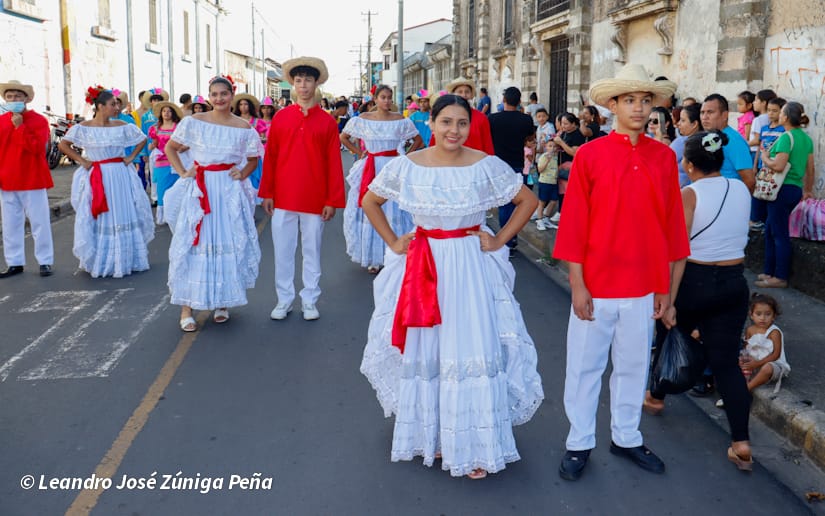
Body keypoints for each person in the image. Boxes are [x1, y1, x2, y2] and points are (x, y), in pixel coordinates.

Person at [359, 94, 543, 480]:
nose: (453, 131)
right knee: (432, 345)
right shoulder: (409, 166)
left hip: (469, 265)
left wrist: (498, 240)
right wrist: (394, 242)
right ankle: (436, 435)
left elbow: (526, 200)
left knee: (469, 343)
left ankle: (475, 443)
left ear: (469, 126)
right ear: (432, 122)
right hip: (424, 264)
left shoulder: (486, 165)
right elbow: (370, 201)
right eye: (446, 122)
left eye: (461, 123)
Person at [553, 64, 689, 481]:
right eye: (629, 100)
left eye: (645, 100)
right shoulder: (591, 155)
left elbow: (671, 227)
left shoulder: (664, 157)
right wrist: (577, 284)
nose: (638, 108)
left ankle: (626, 436)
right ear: (612, 105)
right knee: (585, 365)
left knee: (632, 365)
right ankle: (579, 441)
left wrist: (667, 289)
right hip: (596, 281)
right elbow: (573, 222)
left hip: (644, 284)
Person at [643, 130, 753, 471]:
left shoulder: (687, 194)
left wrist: (669, 300)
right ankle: (741, 442)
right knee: (727, 363)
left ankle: (656, 397)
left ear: (689, 164)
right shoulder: (740, 189)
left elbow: (676, 253)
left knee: (669, 334)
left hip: (695, 279)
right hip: (734, 282)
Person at [163, 75, 262, 332]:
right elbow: (171, 148)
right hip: (200, 190)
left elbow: (254, 157)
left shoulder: (243, 127)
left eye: (224, 94)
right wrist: (184, 173)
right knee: (194, 243)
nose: (219, 99)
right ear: (209, 97)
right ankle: (187, 308)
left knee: (225, 242)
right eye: (214, 94)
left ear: (232, 95)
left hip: (228, 192)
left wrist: (243, 172)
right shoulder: (193, 122)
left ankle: (222, 302)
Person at [259, 56, 346, 321]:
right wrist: (268, 192)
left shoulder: (328, 122)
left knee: (312, 251)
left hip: (315, 198)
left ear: (316, 83)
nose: (303, 85)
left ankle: (309, 299)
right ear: (292, 84)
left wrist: (332, 199)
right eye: (298, 80)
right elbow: (271, 156)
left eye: (308, 80)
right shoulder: (282, 119)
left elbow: (334, 163)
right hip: (284, 196)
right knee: (283, 251)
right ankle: (284, 299)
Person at [59, 88, 154, 278]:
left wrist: (131, 157)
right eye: (113, 104)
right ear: (100, 107)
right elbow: (63, 144)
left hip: (119, 173)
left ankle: (126, 257)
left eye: (117, 104)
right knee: (100, 214)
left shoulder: (121, 125)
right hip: (98, 174)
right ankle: (101, 258)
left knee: (121, 211)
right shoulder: (84, 127)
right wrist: (83, 161)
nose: (116, 107)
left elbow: (142, 139)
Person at [340, 84, 422, 273]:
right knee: (371, 208)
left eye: (389, 97)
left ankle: (398, 253)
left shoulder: (400, 120)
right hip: (372, 167)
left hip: (394, 167)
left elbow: (417, 140)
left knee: (396, 209)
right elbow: (343, 137)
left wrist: (405, 158)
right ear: (375, 99)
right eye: (382, 97)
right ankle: (374, 259)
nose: (386, 101)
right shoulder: (363, 119)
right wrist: (359, 152)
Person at [756, 101, 815, 289]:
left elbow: (779, 165)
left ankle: (779, 276)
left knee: (778, 232)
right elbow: (810, 168)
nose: (778, 115)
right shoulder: (806, 139)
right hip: (794, 188)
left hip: (780, 189)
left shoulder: (785, 137)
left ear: (786, 117)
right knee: (772, 229)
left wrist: (765, 157)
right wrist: (807, 189)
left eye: (781, 112)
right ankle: (769, 271)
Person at [0, 79, 54, 278]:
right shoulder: (0, 121)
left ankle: (45, 261)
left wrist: (20, 127)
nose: (13, 99)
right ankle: (14, 262)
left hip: (32, 178)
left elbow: (36, 148)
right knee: (10, 224)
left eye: (17, 96)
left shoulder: (39, 121)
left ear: (26, 99)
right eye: (9, 96)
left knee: (39, 222)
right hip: (7, 179)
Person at [489, 86, 536, 253]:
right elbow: (530, 138)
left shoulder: (492, 119)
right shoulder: (526, 120)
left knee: (505, 204)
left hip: (498, 166)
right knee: (518, 202)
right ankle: (510, 238)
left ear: (504, 101)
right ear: (519, 101)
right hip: (517, 164)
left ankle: (506, 240)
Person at [700, 93, 754, 191]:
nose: (704, 117)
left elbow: (749, 181)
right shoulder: (708, 138)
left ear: (724, 115)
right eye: (702, 112)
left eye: (710, 112)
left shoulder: (734, 141)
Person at [740, 293, 790, 393]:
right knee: (736, 361)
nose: (762, 318)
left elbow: (776, 355)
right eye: (758, 314)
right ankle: (738, 384)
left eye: (767, 314)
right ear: (751, 315)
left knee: (767, 369)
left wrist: (757, 364)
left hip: (773, 364)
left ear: (774, 316)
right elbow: (746, 350)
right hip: (755, 362)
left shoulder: (774, 332)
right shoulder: (750, 330)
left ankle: (746, 389)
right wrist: (745, 359)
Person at [428, 78, 494, 154]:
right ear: (453, 94)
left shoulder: (481, 118)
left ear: (471, 95)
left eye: (467, 92)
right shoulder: (442, 115)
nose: (464, 95)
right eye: (460, 92)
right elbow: (435, 140)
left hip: (474, 162)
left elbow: (487, 144)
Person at [750, 97, 786, 230]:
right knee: (759, 193)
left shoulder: (783, 131)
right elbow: (760, 149)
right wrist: (754, 167)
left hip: (773, 168)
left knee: (771, 194)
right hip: (761, 167)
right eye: (769, 110)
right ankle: (757, 221)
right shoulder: (764, 128)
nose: (771, 114)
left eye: (775, 111)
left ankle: (767, 223)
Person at [147, 100, 183, 222]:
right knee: (162, 188)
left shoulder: (179, 127)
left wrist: (182, 148)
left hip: (177, 160)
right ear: (160, 114)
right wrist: (151, 146)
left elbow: (185, 143)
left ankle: (177, 215)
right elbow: (154, 143)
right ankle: (164, 216)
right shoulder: (155, 128)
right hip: (161, 161)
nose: (166, 113)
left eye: (169, 111)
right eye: (164, 111)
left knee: (177, 188)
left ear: (173, 113)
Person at [551, 112, 586, 224]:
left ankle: (566, 213)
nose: (564, 126)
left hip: (571, 166)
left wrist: (561, 142)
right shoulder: (564, 133)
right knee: (562, 190)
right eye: (562, 123)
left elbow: (574, 152)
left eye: (566, 123)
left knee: (568, 191)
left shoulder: (577, 135)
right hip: (562, 166)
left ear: (573, 124)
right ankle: (561, 211)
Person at [232, 93, 267, 192]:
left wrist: (256, 139)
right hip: (238, 154)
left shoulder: (258, 121)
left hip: (253, 154)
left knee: (254, 181)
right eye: (241, 104)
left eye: (246, 104)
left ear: (250, 106)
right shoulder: (233, 121)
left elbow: (264, 138)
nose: (243, 107)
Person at [671, 103, 701, 186]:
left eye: (683, 120)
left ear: (694, 124)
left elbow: (662, 164)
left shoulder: (682, 142)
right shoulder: (708, 141)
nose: (678, 123)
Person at [535, 139, 559, 231]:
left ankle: (545, 218)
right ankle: (539, 220)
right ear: (546, 147)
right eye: (550, 146)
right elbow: (540, 170)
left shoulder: (556, 157)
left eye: (554, 146)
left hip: (553, 181)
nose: (552, 148)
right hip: (544, 181)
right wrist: (547, 161)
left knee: (553, 200)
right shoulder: (543, 156)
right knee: (542, 202)